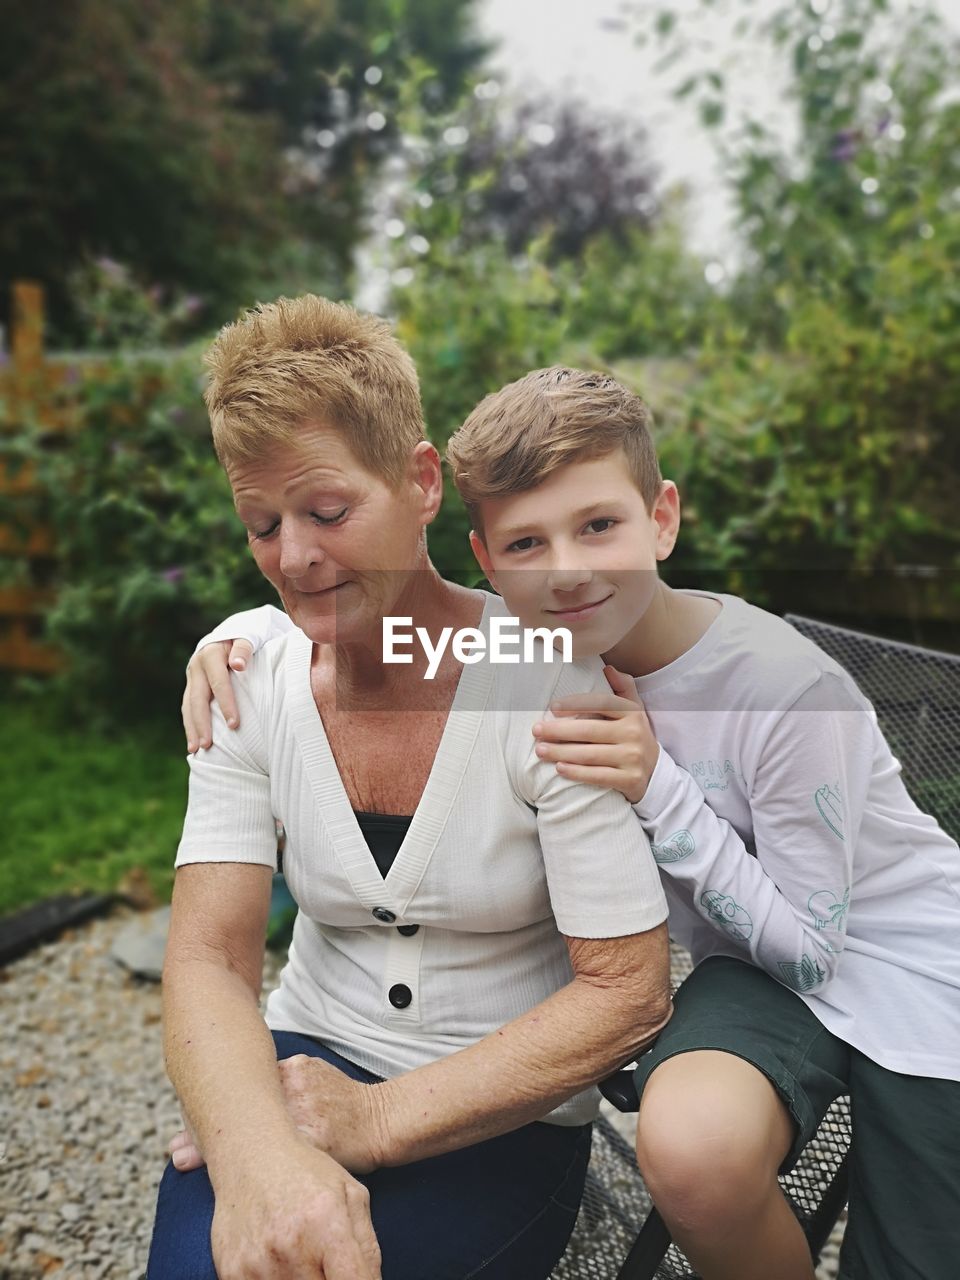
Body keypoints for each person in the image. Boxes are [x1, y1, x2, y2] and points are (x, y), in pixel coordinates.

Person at [191, 365, 960, 1280]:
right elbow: (350, 616)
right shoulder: (538, 651)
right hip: (748, 970)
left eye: (598, 526)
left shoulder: (788, 693)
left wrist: (656, 786)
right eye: (526, 544)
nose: (565, 571)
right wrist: (234, 637)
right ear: (488, 561)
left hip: (905, 977)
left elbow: (815, 954)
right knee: (694, 1148)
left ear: (662, 519)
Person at [153, 306, 673, 1280]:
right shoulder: (240, 674)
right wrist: (257, 1151)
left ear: (422, 481)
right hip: (298, 1060)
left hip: (502, 1105)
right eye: (262, 524)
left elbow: (628, 991)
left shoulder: (548, 678)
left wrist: (376, 1119)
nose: (293, 556)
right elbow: (210, 957)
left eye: (327, 511)